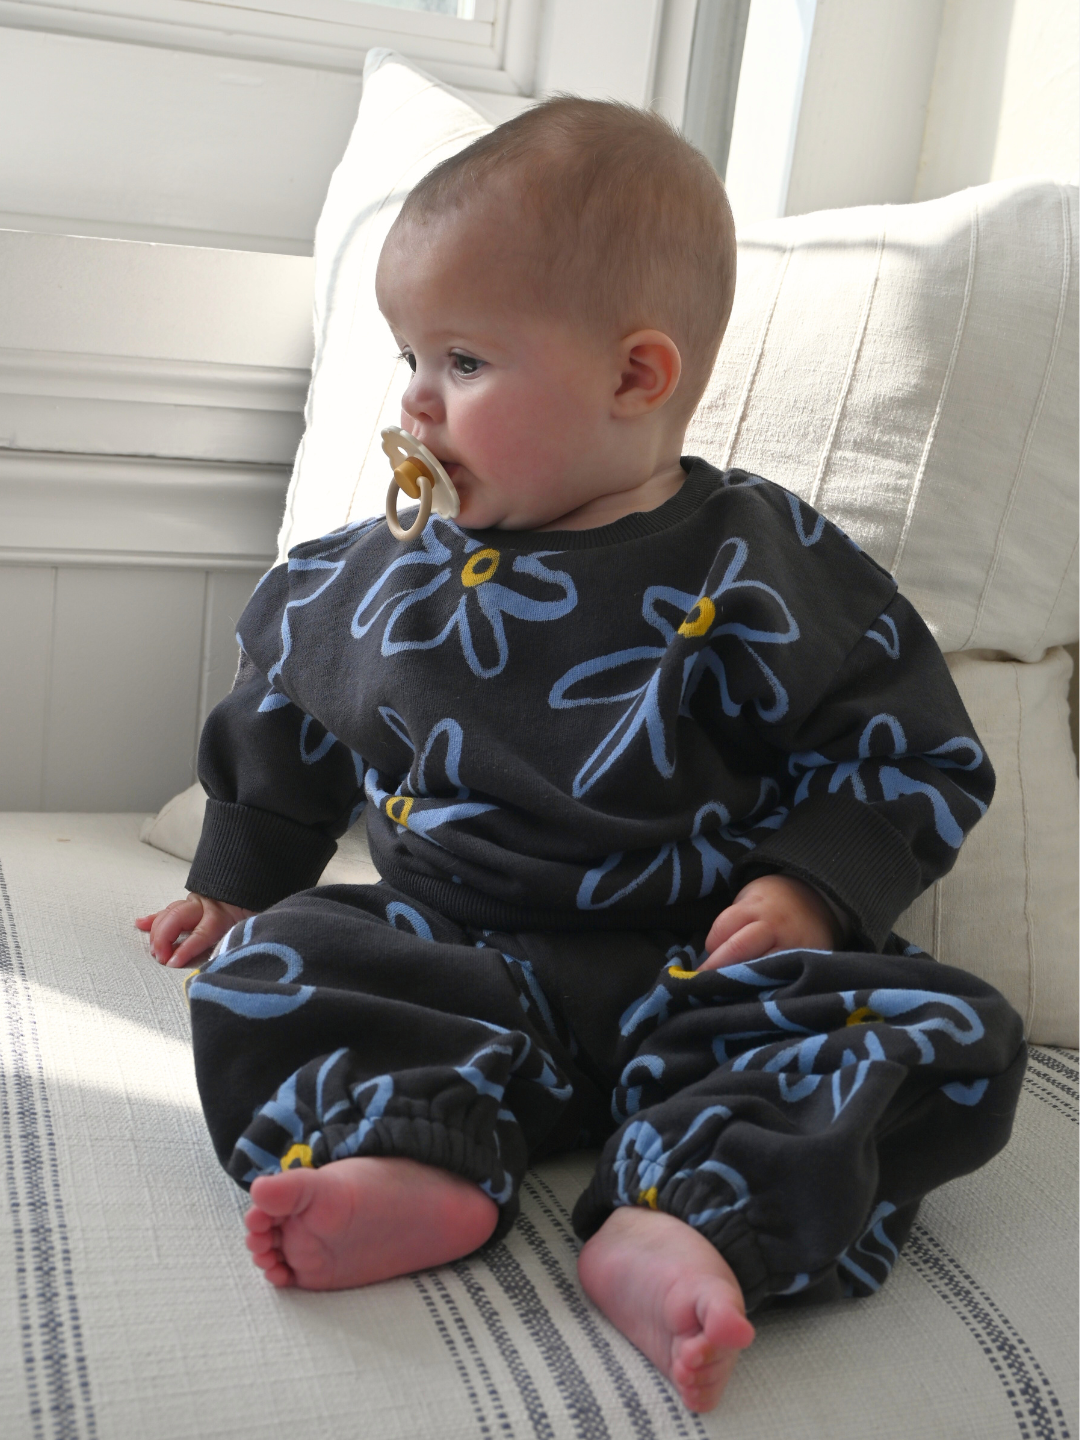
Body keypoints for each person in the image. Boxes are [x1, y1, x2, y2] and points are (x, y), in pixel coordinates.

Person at [136, 98, 1025, 1413]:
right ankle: (413, 1158)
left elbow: (905, 749)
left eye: (465, 362)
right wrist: (241, 876)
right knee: (282, 970)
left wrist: (812, 890)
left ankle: (688, 1223)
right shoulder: (374, 575)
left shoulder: (762, 568)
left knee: (950, 1030)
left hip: (711, 973)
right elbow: (287, 710)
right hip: (459, 962)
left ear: (635, 377)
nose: (414, 401)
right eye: (406, 356)